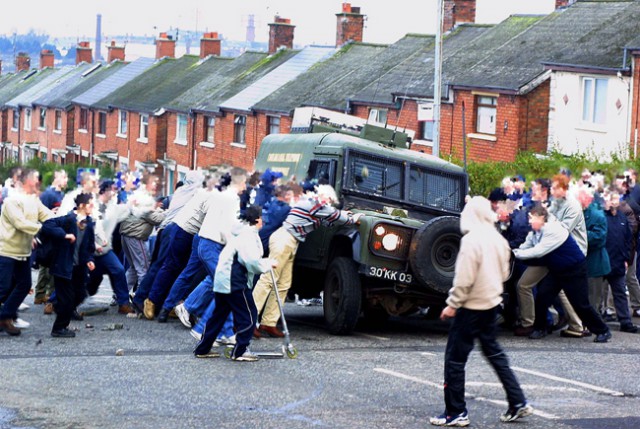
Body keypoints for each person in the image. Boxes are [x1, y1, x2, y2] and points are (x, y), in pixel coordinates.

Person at [429, 196, 532, 427]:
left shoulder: (471, 240)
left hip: (470, 307)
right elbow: (505, 274)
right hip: (491, 304)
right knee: (495, 355)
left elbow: (464, 279)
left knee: (454, 360)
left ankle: (455, 412)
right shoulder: (499, 240)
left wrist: (452, 304)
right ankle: (517, 401)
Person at [252, 184, 362, 337]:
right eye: (330, 200)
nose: (330, 203)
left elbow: (328, 220)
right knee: (268, 279)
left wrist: (342, 214)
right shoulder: (317, 204)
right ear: (325, 197)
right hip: (285, 240)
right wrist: (353, 218)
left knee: (283, 284)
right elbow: (336, 217)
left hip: (289, 241)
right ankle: (247, 321)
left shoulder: (313, 204)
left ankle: (268, 322)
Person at [513, 203, 612, 343]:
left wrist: (515, 254)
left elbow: (538, 251)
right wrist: (516, 252)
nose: (529, 221)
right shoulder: (535, 232)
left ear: (542, 218)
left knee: (581, 304)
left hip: (574, 270)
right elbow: (526, 246)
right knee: (542, 298)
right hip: (556, 270)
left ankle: (603, 330)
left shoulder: (552, 230)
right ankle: (539, 328)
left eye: (532, 218)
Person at [193, 205, 275, 360]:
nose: (263, 222)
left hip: (222, 279)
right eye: (262, 219)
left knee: (218, 316)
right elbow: (250, 261)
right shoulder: (249, 236)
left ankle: (202, 349)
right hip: (235, 281)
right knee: (249, 315)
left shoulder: (240, 233)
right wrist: (267, 264)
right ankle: (240, 351)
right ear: (257, 220)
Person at [0, 169, 52, 336]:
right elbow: (20, 223)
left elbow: (48, 215)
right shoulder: (11, 201)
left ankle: (5, 316)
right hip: (6, 250)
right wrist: (43, 229)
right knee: (3, 287)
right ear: (24, 182)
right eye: (35, 180)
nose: (38, 183)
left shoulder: (34, 201)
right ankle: (5, 317)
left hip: (23, 252)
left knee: (24, 285)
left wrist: (64, 222)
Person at [41, 193, 96, 337]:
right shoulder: (68, 219)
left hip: (79, 268)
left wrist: (90, 259)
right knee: (67, 299)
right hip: (63, 266)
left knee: (80, 294)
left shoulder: (89, 223)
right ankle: (58, 328)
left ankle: (61, 308)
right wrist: (64, 235)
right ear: (82, 206)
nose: (93, 207)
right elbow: (47, 225)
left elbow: (89, 246)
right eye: (91, 204)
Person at [34, 169, 69, 305]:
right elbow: (40, 213)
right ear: (57, 178)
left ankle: (49, 293)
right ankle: (40, 293)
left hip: (58, 233)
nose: (66, 180)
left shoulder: (63, 195)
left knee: (53, 264)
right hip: (48, 233)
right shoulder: (48, 194)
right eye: (64, 177)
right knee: (46, 264)